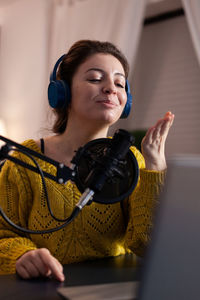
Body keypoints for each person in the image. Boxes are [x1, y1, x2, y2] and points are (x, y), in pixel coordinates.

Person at [0, 40, 174, 282]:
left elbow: (148, 245)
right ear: (63, 92)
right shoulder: (24, 162)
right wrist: (22, 255)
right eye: (95, 78)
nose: (111, 89)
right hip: (44, 289)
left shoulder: (131, 163)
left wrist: (154, 166)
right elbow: (2, 235)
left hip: (110, 290)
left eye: (119, 83)